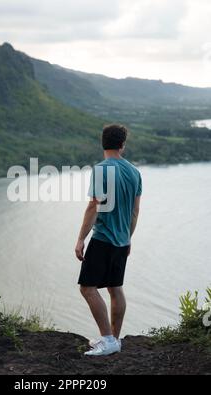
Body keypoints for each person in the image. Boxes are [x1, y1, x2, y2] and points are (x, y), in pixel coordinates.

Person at [75, 124, 142, 356]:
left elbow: (94, 205)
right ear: (122, 144)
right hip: (122, 240)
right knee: (115, 287)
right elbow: (135, 213)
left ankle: (107, 339)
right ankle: (114, 339)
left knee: (87, 288)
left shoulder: (101, 169)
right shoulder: (135, 172)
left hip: (103, 238)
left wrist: (81, 238)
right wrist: (128, 238)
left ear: (102, 143)